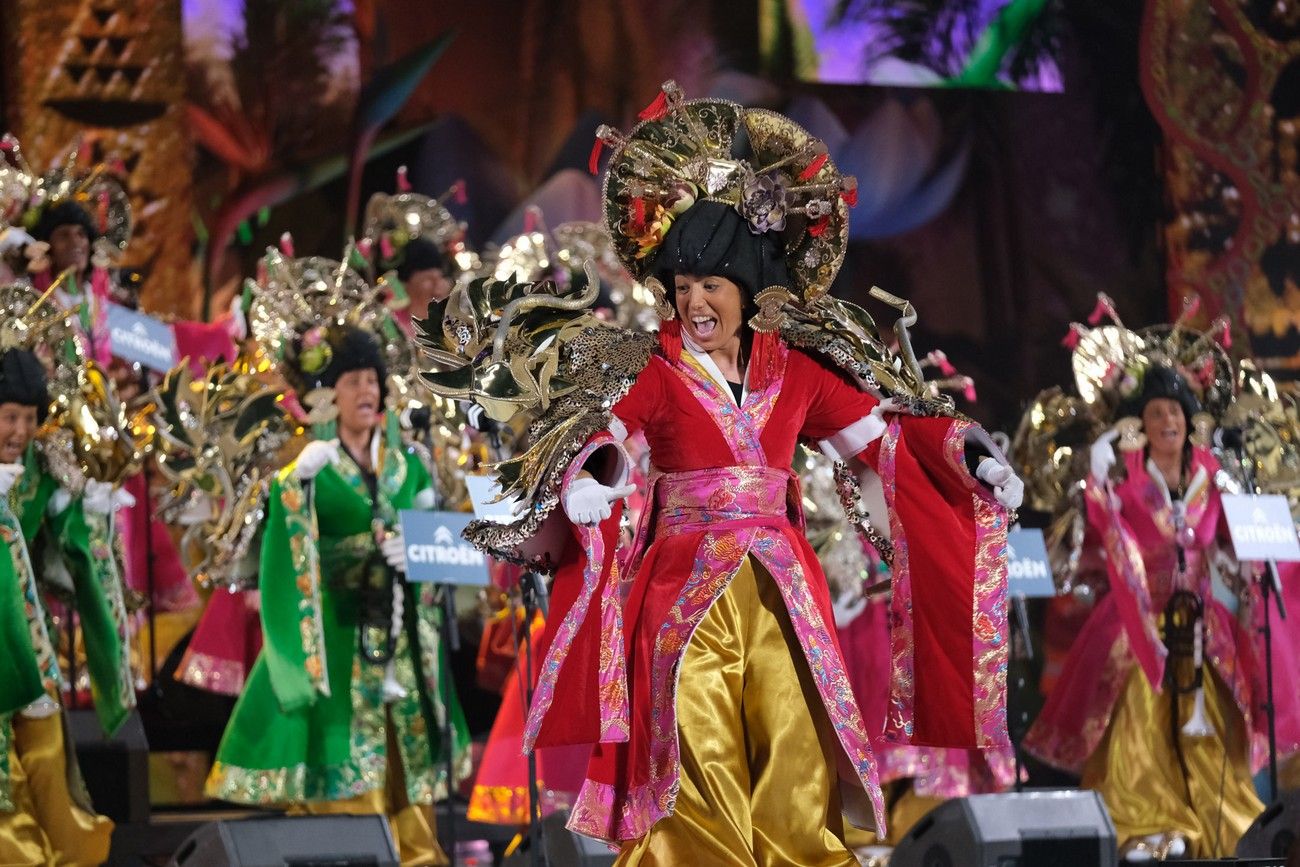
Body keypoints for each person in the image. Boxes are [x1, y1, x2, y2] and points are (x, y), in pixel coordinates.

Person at [420, 83, 1022, 865]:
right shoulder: (658, 369)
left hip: (782, 591)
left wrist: (968, 456)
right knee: (693, 757)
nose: (693, 301)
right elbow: (608, 431)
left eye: (710, 284)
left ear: (747, 287)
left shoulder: (798, 371)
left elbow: (880, 438)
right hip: (682, 592)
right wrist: (592, 478)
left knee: (795, 744)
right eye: (681, 287)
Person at [206, 288, 468, 866]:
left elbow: (445, 540)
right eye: (353, 382)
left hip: (399, 631)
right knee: (346, 749)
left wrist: (418, 552)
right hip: (337, 627)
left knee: (406, 758)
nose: (366, 391)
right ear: (329, 394)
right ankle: (355, 851)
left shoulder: (408, 464)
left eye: (372, 380)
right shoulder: (308, 465)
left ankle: (419, 856)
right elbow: (283, 544)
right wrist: (294, 487)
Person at [1023, 315, 1264, 860]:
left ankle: (1219, 823)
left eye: (1174, 412)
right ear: (1141, 424)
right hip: (1136, 619)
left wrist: (1243, 573)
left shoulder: (1215, 475)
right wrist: (1098, 481)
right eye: (1155, 413)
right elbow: (1096, 534)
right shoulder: (1122, 478)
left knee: (1210, 727)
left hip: (1201, 622)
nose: (1166, 421)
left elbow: (1231, 545)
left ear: (1189, 420)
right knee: (1138, 714)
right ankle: (1144, 823)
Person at [0, 345, 134, 865]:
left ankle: (61, 850)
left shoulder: (43, 464)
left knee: (47, 755)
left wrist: (90, 510)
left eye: (29, 418)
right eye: (9, 417)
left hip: (31, 644)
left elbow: (73, 542)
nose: (18, 431)